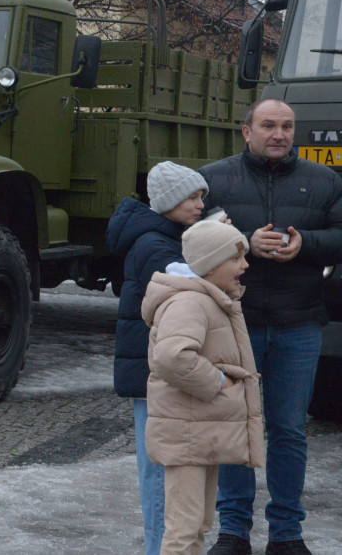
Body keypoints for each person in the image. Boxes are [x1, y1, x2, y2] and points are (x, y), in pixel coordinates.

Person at [199, 97, 342, 555]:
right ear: (246, 131)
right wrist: (241, 242)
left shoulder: (324, 181)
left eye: (286, 126)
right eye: (268, 126)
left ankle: (286, 533)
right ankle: (233, 531)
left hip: (299, 321)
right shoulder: (214, 177)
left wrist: (307, 244)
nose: (278, 134)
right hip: (233, 322)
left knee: (287, 429)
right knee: (238, 426)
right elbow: (191, 236)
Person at [142, 220, 264, 555]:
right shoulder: (189, 303)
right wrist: (219, 382)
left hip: (199, 433)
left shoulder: (209, 298)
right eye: (236, 258)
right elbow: (172, 357)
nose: (245, 265)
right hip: (186, 435)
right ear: (210, 265)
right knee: (183, 529)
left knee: (197, 524)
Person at [106, 161, 209, 554]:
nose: (200, 205)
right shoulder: (154, 244)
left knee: (163, 465)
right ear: (168, 202)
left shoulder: (162, 234)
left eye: (202, 196)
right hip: (153, 372)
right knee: (161, 469)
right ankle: (159, 548)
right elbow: (193, 284)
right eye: (192, 197)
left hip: (152, 368)